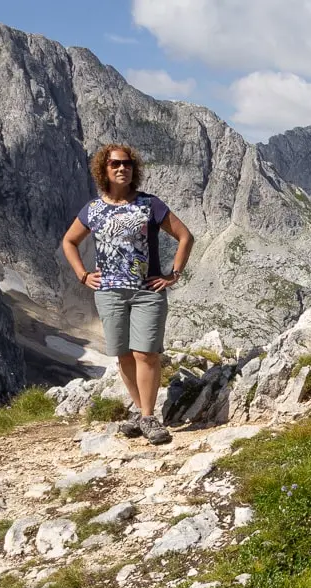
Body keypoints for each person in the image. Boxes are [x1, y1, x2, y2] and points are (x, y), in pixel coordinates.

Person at [62, 144, 194, 445]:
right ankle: (141, 411)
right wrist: (82, 274)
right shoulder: (93, 210)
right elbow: (69, 241)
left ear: (134, 169)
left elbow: (185, 236)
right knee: (123, 355)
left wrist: (173, 275)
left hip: (147, 291)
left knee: (145, 352)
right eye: (114, 164)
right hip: (109, 293)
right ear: (104, 170)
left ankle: (148, 417)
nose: (122, 169)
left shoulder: (150, 204)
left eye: (127, 164)